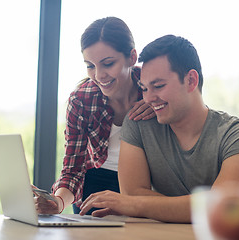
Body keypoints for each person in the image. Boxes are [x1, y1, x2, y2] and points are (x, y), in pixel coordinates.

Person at [78, 35, 239, 223]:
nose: (148, 98)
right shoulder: (138, 124)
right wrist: (196, 207)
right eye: (144, 88)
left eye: (158, 86)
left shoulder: (238, 134)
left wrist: (138, 205)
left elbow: (222, 208)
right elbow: (132, 193)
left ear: (191, 80)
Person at [34, 17, 154, 215]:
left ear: (132, 57)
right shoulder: (82, 99)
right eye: (90, 65)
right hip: (96, 186)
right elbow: (74, 167)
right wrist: (58, 202)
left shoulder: (154, 89)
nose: (99, 75)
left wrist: (158, 106)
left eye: (108, 63)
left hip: (146, 184)